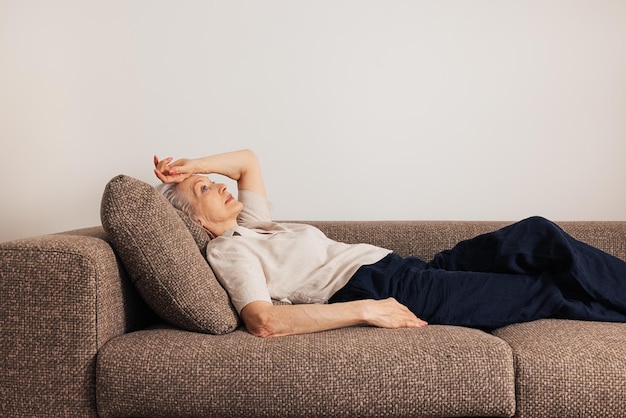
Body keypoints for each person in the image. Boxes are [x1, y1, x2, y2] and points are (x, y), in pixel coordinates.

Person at [154, 149, 626, 338]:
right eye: (202, 189)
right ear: (193, 219)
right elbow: (263, 320)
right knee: (545, 289)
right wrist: (366, 310)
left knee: (536, 234)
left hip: (411, 266)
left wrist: (189, 165)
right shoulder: (228, 250)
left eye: (210, 179)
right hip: (393, 287)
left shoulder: (252, 227)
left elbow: (246, 160)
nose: (218, 184)